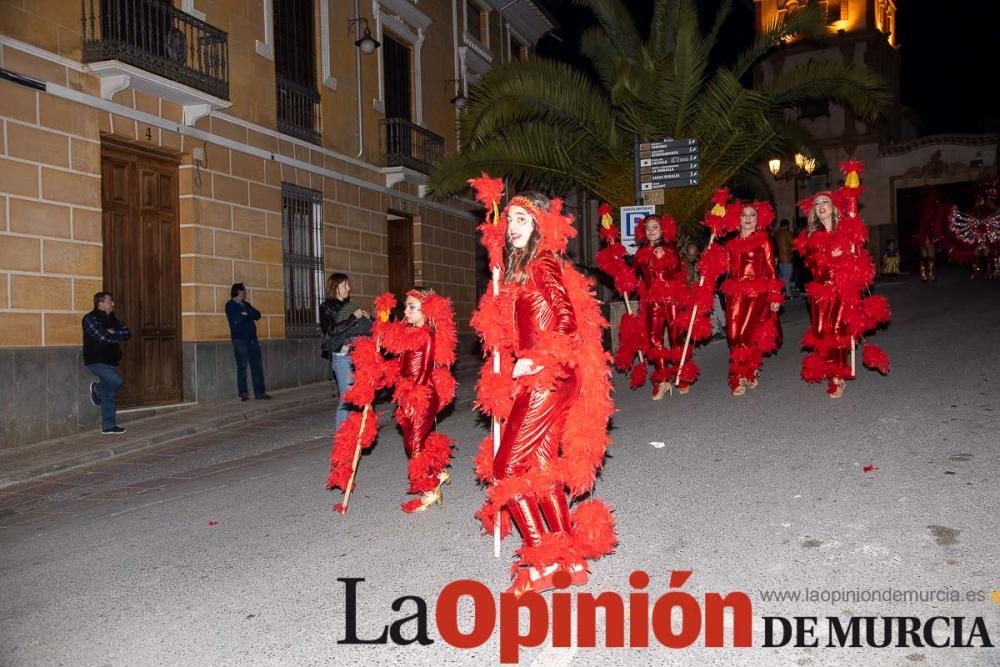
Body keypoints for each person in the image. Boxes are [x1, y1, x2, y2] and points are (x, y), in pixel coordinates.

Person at [469, 184, 616, 597]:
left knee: (506, 468)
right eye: (508, 220)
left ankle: (542, 557)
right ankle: (570, 558)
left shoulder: (541, 264)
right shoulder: (519, 272)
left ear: (539, 224)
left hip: (547, 377)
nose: (512, 227)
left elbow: (566, 320)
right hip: (550, 377)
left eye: (521, 219)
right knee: (540, 466)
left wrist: (538, 358)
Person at [794, 168, 891, 398]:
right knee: (820, 331)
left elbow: (859, 256)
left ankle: (837, 376)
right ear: (814, 213)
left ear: (833, 207)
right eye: (817, 204)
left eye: (825, 201)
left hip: (841, 288)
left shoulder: (846, 230)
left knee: (838, 330)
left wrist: (848, 251)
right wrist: (829, 255)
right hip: (819, 290)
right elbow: (810, 265)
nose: (820, 206)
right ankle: (829, 366)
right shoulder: (809, 238)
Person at [382, 289, 457, 513]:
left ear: (425, 311)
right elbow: (386, 344)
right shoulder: (407, 332)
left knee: (414, 444)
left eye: (411, 307)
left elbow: (424, 370)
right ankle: (437, 471)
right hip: (406, 392)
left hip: (422, 392)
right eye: (406, 306)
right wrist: (383, 319)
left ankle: (430, 488)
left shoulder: (426, 335)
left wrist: (416, 395)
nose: (406, 311)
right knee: (413, 438)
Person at [717, 203, 784, 395]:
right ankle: (749, 368)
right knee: (733, 334)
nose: (748, 218)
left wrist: (774, 296)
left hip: (756, 293)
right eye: (744, 215)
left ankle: (740, 375)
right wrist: (711, 261)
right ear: (737, 219)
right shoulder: (730, 244)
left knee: (743, 333)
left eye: (752, 215)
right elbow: (722, 268)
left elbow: (771, 271)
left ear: (759, 219)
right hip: (733, 293)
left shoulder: (764, 241)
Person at [634, 215, 695, 398]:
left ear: (663, 230)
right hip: (653, 302)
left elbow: (678, 274)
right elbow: (631, 274)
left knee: (676, 338)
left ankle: (682, 375)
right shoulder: (641, 253)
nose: (651, 231)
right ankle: (662, 380)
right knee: (655, 340)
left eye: (655, 227)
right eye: (648, 228)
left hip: (672, 300)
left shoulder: (670, 249)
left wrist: (680, 295)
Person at [319, 273, 372, 429]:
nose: (348, 288)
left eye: (348, 284)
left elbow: (366, 329)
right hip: (342, 357)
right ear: (336, 287)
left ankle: (351, 434)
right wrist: (353, 318)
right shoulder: (326, 307)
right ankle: (341, 439)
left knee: (356, 397)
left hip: (357, 356)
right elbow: (332, 330)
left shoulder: (351, 306)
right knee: (347, 398)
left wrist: (369, 318)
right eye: (345, 285)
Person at [83, 292, 131, 434]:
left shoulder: (113, 319)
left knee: (109, 393)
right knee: (117, 380)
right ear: (101, 303)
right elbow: (102, 337)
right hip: (96, 359)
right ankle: (97, 390)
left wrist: (112, 332)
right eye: (110, 301)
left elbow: (127, 333)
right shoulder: (90, 318)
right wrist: (113, 334)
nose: (113, 303)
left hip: (111, 360)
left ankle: (109, 426)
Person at [225, 283, 271, 401]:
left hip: (252, 340)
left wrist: (248, 315)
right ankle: (243, 393)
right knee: (242, 366)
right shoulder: (230, 305)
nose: (246, 293)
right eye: (244, 291)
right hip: (240, 340)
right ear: (239, 292)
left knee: (257, 366)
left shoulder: (246, 305)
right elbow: (238, 319)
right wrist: (248, 315)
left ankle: (260, 392)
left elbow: (258, 314)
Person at [774, 218, 795, 298]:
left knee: (781, 277)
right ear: (787, 225)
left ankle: (781, 292)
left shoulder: (777, 234)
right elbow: (793, 244)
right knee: (787, 278)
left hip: (779, 259)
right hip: (787, 258)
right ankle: (788, 294)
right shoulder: (787, 233)